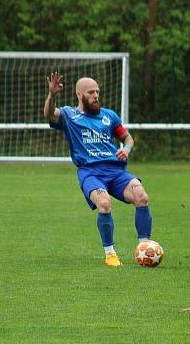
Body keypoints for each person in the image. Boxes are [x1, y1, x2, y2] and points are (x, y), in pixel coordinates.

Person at [44, 71, 153, 267]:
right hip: (90, 172)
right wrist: (51, 95)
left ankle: (144, 248)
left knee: (141, 196)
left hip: (116, 171)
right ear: (80, 94)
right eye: (91, 92)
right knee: (104, 203)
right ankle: (110, 254)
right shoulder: (70, 115)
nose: (96, 96)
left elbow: (127, 138)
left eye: (97, 92)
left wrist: (126, 150)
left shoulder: (108, 116)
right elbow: (50, 114)